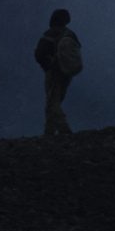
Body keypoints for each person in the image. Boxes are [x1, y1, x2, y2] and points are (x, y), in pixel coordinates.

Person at [33, 8, 82, 138]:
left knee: (52, 102)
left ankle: (63, 129)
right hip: (66, 73)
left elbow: (39, 54)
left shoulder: (51, 34)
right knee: (55, 101)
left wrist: (48, 66)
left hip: (54, 72)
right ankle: (49, 131)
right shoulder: (70, 34)